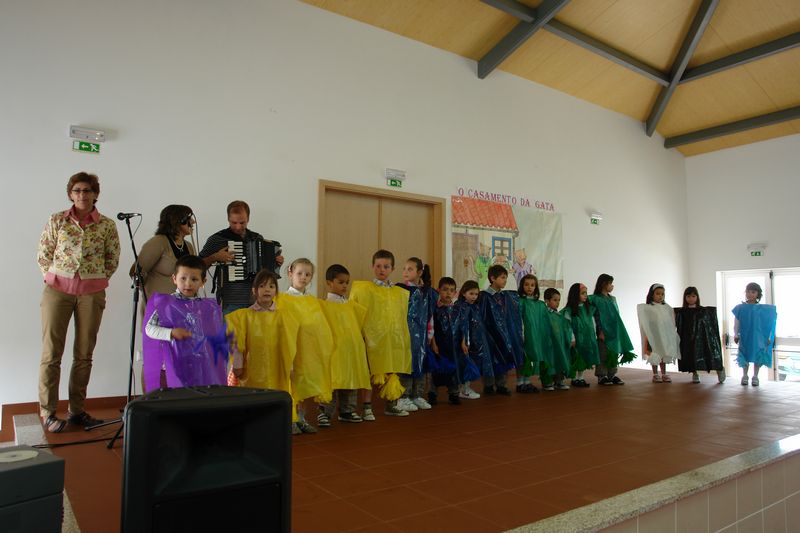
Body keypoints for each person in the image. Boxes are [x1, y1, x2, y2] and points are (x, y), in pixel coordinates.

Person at [37, 172, 120, 433]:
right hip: (57, 292)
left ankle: (76, 411)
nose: (82, 195)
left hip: (91, 293)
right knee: (52, 353)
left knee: (84, 354)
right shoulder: (57, 220)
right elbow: (44, 253)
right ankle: (48, 413)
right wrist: (52, 277)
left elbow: (112, 258)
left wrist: (96, 280)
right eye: (77, 190)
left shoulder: (107, 225)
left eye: (87, 190)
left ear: (95, 194)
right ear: (70, 194)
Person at [142, 255, 229, 390]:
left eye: (194, 279)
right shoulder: (166, 304)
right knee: (177, 396)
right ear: (174, 279)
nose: (188, 284)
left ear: (203, 281)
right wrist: (171, 333)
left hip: (198, 366)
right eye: (183, 278)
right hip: (173, 365)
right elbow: (149, 328)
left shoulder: (206, 307)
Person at [349, 249, 412, 417]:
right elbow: (355, 313)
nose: (381, 270)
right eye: (378, 266)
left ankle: (391, 404)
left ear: (392, 269)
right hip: (371, 340)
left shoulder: (399, 293)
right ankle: (367, 407)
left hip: (392, 339)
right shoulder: (364, 289)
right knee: (370, 372)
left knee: (393, 370)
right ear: (372, 267)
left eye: (386, 266)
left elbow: (401, 318)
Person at [199, 200, 284, 315]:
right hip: (231, 300)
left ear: (248, 219)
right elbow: (196, 267)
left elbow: (265, 271)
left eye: (242, 222)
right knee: (231, 327)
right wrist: (215, 257)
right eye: (234, 222)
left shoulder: (257, 238)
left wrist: (276, 262)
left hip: (257, 300)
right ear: (228, 219)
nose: (238, 227)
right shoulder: (217, 239)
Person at [279, 258, 333, 434]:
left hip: (306, 350)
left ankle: (301, 418)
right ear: (290, 273)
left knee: (303, 384)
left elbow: (319, 326)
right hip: (291, 348)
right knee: (290, 384)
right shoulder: (282, 299)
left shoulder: (311, 301)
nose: (303, 277)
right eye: (299, 273)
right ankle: (290, 419)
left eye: (308, 274)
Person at [317, 264, 371, 425]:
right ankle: (324, 412)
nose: (345, 286)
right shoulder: (323, 305)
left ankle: (347, 410)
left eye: (347, 282)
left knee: (350, 379)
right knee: (332, 380)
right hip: (333, 351)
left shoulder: (350, 305)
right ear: (329, 283)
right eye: (340, 282)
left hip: (350, 351)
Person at [396, 257, 437, 412]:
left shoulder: (427, 292)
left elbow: (430, 315)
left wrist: (430, 334)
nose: (405, 272)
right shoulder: (400, 290)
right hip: (405, 335)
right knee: (407, 365)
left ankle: (417, 395)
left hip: (422, 337)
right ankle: (403, 397)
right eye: (404, 269)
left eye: (410, 269)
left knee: (420, 364)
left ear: (419, 272)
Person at [429, 277, 474, 405]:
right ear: (439, 290)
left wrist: (463, 342)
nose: (448, 293)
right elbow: (432, 328)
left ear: (455, 293)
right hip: (440, 345)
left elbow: (462, 327)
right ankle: (433, 393)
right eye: (445, 290)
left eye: (451, 290)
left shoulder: (456, 309)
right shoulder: (435, 309)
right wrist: (434, 344)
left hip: (455, 346)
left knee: (454, 369)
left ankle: (454, 393)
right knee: (437, 370)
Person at [481, 264, 524, 395]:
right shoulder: (484, 296)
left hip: (503, 334)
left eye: (506, 277)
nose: (505, 280)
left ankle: (501, 384)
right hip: (489, 334)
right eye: (502, 277)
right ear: (492, 278)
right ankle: (488, 385)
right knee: (490, 359)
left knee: (502, 356)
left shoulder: (506, 296)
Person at [589, 274, 636, 385]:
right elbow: (595, 316)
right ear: (603, 284)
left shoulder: (612, 299)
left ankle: (612, 374)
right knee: (603, 353)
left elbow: (616, 315)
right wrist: (599, 331)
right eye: (610, 283)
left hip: (614, 330)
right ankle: (602, 375)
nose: (612, 286)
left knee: (613, 351)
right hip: (603, 331)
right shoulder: (594, 299)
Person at [675, 287, 725, 384]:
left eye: (693, 296)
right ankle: (695, 373)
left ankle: (719, 369)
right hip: (688, 338)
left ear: (697, 297)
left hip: (702, 338)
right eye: (688, 296)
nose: (691, 299)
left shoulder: (703, 311)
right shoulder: (682, 312)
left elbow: (709, 325)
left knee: (709, 353)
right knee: (691, 355)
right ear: (685, 297)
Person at [733, 282, 777, 387]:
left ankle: (755, 376)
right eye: (748, 292)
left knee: (758, 356)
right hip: (745, 336)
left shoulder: (762, 309)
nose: (750, 294)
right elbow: (736, 322)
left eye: (753, 292)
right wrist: (736, 334)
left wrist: (768, 337)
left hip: (758, 337)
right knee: (744, 355)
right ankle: (745, 375)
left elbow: (768, 322)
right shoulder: (740, 308)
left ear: (758, 294)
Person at [637, 284, 681, 383]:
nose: (660, 296)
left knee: (663, 353)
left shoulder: (666, 307)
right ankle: (655, 374)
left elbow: (670, 321)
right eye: (657, 294)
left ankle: (664, 373)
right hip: (653, 335)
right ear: (652, 294)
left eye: (662, 294)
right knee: (655, 353)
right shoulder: (648, 308)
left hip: (664, 335)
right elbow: (646, 322)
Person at [561, 283, 600, 388]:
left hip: (587, 338)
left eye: (586, 293)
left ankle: (580, 377)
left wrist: (594, 335)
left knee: (583, 357)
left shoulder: (588, 309)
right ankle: (574, 378)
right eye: (582, 293)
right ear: (575, 295)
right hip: (577, 339)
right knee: (576, 357)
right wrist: (572, 338)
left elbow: (592, 322)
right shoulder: (569, 311)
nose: (585, 295)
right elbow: (567, 326)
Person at [455, 280, 487, 401]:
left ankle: (465, 388)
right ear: (464, 293)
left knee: (470, 364)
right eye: (471, 293)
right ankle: (463, 389)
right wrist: (464, 341)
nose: (474, 296)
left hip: (473, 342)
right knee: (465, 364)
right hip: (464, 342)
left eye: (476, 294)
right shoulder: (461, 307)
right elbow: (463, 326)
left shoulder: (474, 307)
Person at [517, 274, 546, 393]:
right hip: (524, 334)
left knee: (531, 357)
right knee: (523, 357)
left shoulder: (539, 304)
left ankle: (527, 381)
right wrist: (521, 334)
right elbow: (518, 319)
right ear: (522, 286)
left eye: (532, 285)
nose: (529, 287)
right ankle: (520, 383)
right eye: (526, 284)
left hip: (535, 335)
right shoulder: (520, 302)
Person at [543, 288, 573, 390]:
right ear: (547, 301)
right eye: (555, 300)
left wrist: (569, 339)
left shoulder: (559, 315)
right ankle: (547, 382)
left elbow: (565, 329)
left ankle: (559, 381)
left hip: (559, 343)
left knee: (560, 359)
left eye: (559, 300)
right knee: (549, 361)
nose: (557, 303)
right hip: (549, 344)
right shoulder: (544, 314)